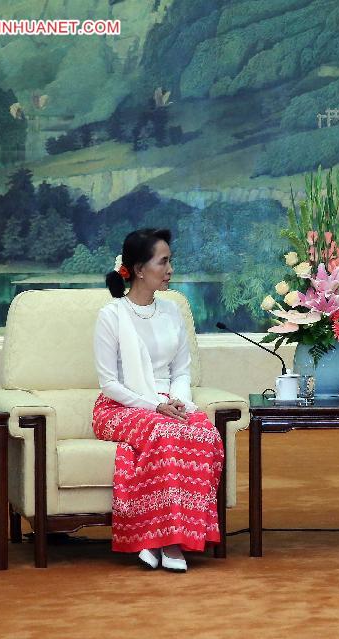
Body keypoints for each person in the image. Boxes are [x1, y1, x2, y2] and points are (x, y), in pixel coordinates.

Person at [92, 228, 224, 572]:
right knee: (163, 433)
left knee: (205, 434)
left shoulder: (172, 312)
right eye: (162, 262)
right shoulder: (112, 315)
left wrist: (177, 402)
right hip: (122, 406)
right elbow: (108, 383)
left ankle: (164, 538)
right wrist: (155, 407)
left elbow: (182, 370)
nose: (169, 270)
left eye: (170, 261)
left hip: (169, 402)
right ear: (138, 269)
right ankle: (168, 541)